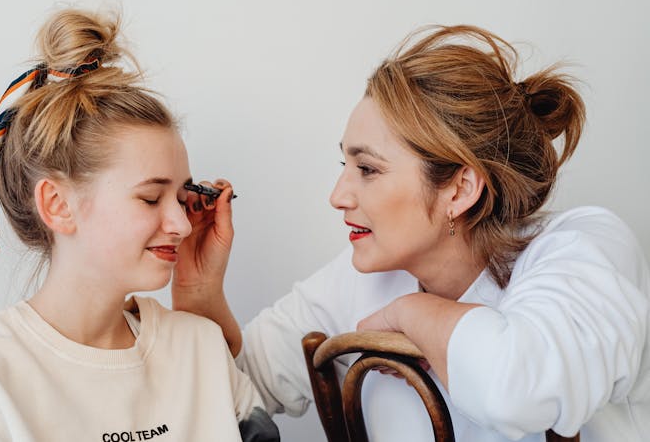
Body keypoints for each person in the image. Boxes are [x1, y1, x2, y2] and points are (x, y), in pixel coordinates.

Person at [173, 25, 650, 441]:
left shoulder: (581, 248)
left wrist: (411, 313)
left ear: (460, 189)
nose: (338, 195)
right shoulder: (360, 276)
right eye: (346, 164)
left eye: (368, 169)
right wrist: (198, 289)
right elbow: (229, 392)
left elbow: (519, 389)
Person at [0, 8, 279, 442]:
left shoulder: (203, 352)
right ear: (58, 205)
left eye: (180, 197)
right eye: (151, 197)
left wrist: (197, 294)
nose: (181, 223)